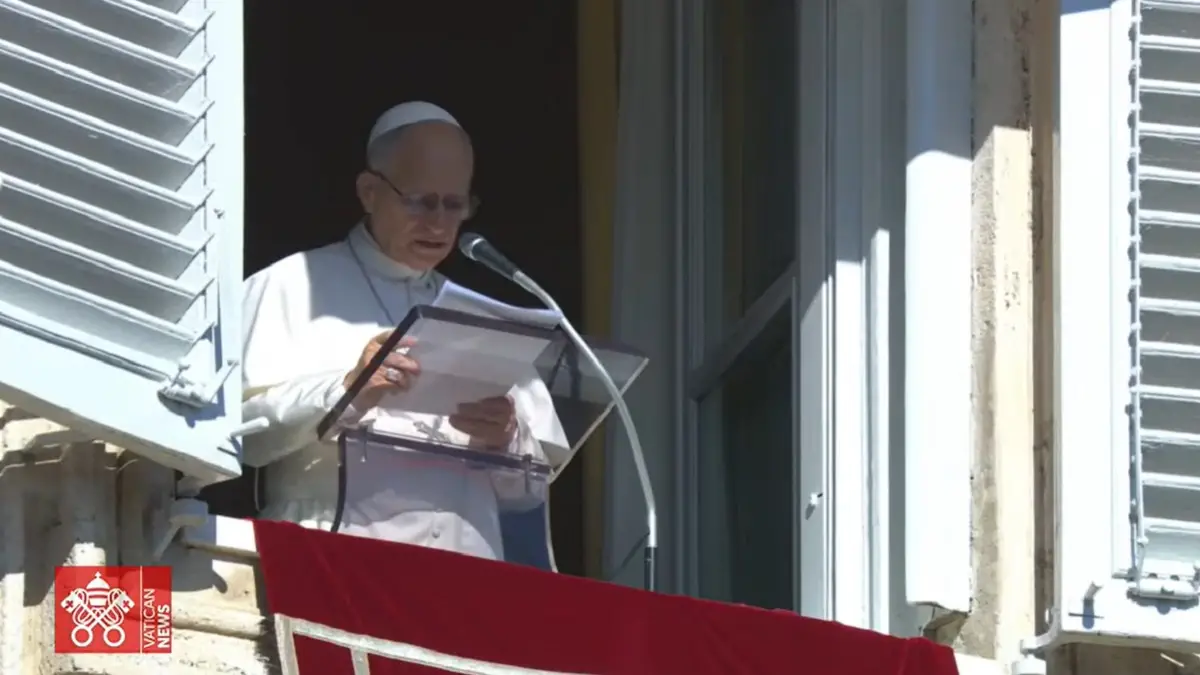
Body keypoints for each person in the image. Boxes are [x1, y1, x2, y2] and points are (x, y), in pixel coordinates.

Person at [240, 101, 564, 562]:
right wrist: (346, 390)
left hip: (466, 583)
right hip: (335, 566)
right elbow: (240, 441)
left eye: (454, 205)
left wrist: (507, 436)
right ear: (369, 191)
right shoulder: (290, 285)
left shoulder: (486, 319)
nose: (437, 223)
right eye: (420, 201)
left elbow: (528, 493)